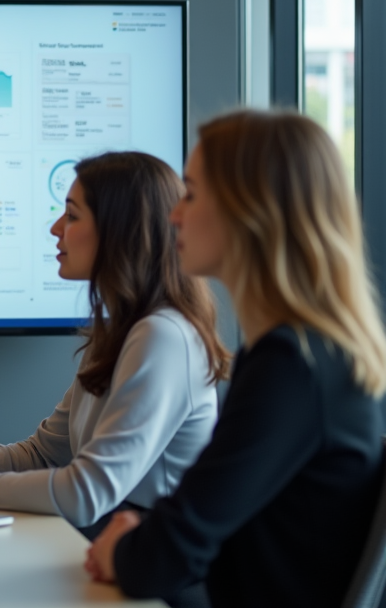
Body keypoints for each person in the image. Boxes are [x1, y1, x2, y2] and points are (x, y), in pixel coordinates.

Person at [86, 110, 386, 608]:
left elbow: (165, 558)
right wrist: (142, 538)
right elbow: (208, 511)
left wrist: (125, 548)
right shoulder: (308, 354)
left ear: (253, 212)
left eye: (193, 193)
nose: (175, 214)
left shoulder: (292, 367)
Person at [0, 151, 230, 539]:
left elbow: (86, 492)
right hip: (108, 543)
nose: (55, 228)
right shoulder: (123, 331)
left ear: (120, 230)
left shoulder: (163, 337)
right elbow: (45, 453)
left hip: (152, 570)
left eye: (72, 215)